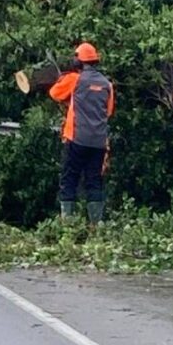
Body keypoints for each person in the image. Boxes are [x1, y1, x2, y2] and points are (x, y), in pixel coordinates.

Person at [48, 42, 115, 224]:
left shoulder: (74, 79)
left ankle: (68, 225)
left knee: (69, 178)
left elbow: (54, 93)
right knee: (94, 181)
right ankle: (96, 225)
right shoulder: (107, 84)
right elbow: (108, 112)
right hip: (99, 143)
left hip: (76, 139)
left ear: (79, 61)